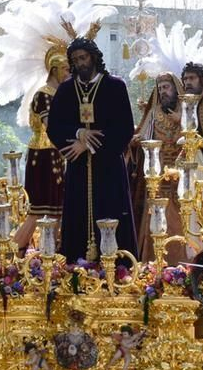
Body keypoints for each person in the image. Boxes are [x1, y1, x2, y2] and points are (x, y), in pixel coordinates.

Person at [46, 35, 137, 262]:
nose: (80, 63)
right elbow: (55, 126)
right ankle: (76, 273)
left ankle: (118, 271)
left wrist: (88, 145)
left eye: (84, 57)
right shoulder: (66, 90)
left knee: (111, 215)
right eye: (75, 60)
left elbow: (124, 128)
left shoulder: (115, 86)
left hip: (109, 169)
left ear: (94, 57)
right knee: (78, 218)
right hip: (78, 169)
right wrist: (78, 134)